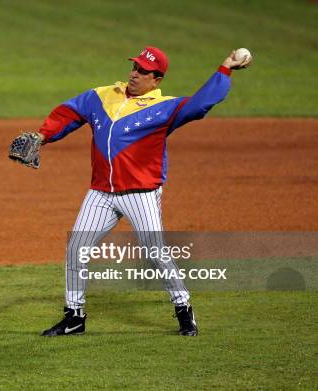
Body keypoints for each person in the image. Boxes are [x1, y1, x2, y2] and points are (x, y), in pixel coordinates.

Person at [38, 46, 251, 337]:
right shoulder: (102, 96)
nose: (134, 74)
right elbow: (69, 112)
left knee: (156, 254)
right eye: (134, 67)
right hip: (101, 192)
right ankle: (74, 317)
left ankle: (184, 310)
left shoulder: (165, 109)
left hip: (141, 194)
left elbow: (202, 103)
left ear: (157, 79)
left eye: (142, 71)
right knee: (76, 248)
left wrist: (224, 69)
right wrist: (41, 136)